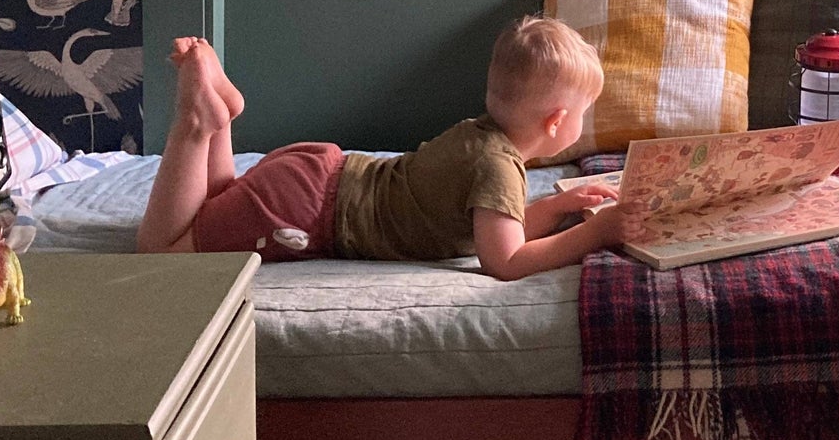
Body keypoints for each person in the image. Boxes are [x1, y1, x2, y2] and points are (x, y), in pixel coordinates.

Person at [135, 19, 624, 280]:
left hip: (317, 173)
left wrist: (558, 208)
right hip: (306, 209)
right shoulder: (499, 167)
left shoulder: (479, 138)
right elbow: (505, 260)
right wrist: (595, 233)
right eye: (583, 111)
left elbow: (495, 228)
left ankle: (221, 115)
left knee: (217, 207)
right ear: (555, 121)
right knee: (162, 253)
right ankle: (196, 124)